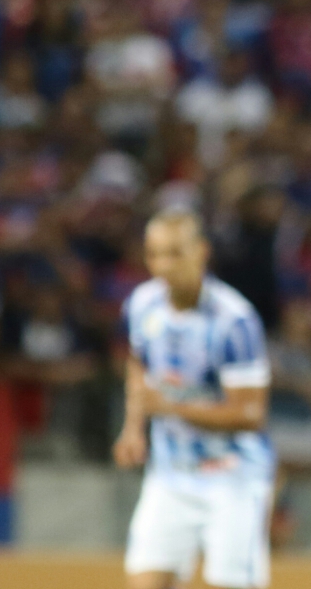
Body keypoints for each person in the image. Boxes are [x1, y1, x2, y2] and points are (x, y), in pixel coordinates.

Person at [113, 209, 274, 589]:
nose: (163, 265)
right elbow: (137, 363)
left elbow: (250, 414)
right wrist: (133, 427)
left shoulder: (234, 321)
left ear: (201, 251)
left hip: (233, 476)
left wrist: (169, 407)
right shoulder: (142, 304)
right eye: (155, 254)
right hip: (170, 474)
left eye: (175, 253)